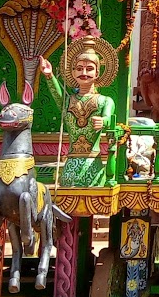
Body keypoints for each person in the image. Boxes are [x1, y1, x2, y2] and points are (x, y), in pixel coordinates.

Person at [38, 36, 119, 186]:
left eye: (89, 69)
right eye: (79, 68)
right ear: (73, 73)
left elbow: (109, 119)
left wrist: (104, 122)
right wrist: (49, 75)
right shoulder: (68, 101)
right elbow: (57, 94)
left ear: (97, 73)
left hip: (93, 167)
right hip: (70, 167)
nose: (84, 72)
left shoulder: (105, 101)